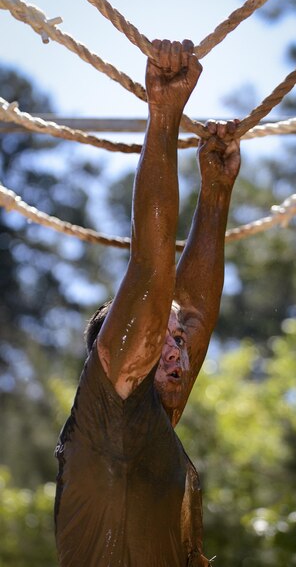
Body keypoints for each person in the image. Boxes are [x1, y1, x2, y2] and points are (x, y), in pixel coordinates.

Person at [54, 39, 241, 567]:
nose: (180, 351)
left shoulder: (150, 431)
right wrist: (163, 115)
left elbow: (192, 314)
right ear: (116, 351)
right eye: (162, 339)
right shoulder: (110, 413)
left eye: (177, 342)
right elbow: (151, 273)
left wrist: (217, 193)